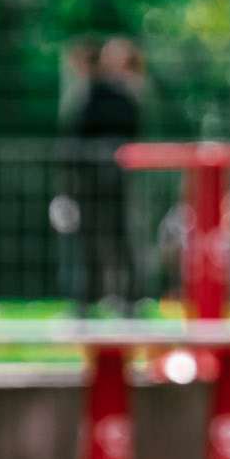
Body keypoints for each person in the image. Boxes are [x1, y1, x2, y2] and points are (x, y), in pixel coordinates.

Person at [65, 37, 143, 310]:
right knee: (95, 239)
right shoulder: (100, 93)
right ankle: (95, 299)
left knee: (113, 237)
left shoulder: (108, 94)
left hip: (105, 178)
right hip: (99, 178)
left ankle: (124, 298)